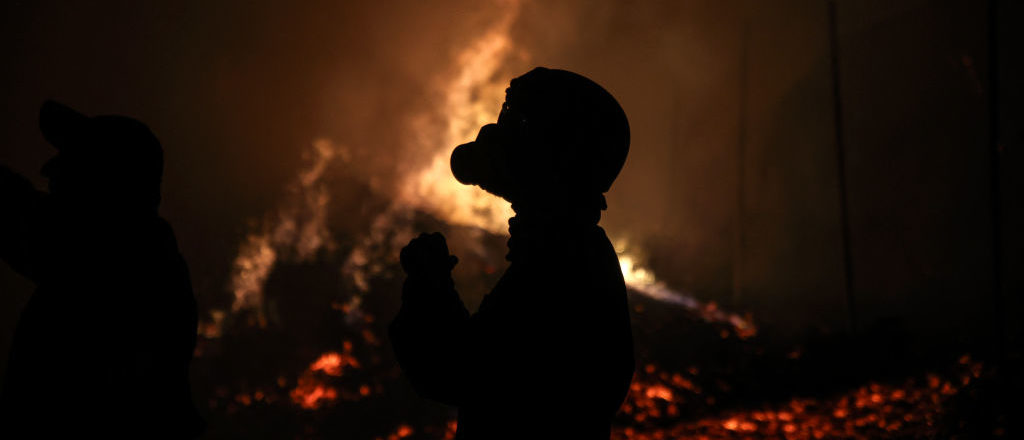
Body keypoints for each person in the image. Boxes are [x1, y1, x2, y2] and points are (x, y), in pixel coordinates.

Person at [390, 67, 635, 439]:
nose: (497, 134)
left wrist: (430, 287)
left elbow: (459, 372)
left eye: (519, 122)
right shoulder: (571, 254)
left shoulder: (558, 271)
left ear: (556, 154)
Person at [0, 101, 203, 438]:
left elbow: (31, 225)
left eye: (72, 165)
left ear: (108, 184)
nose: (50, 174)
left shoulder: (121, 256)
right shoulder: (145, 254)